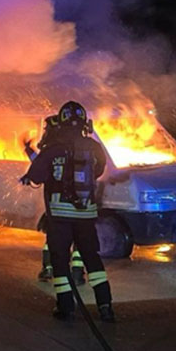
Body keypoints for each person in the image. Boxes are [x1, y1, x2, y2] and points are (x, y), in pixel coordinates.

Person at [20, 101, 114, 322]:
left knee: (60, 260)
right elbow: (98, 172)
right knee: (92, 259)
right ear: (84, 123)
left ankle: (66, 307)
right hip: (86, 214)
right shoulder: (94, 147)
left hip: (60, 216)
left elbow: (36, 176)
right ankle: (106, 306)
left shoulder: (53, 149)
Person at [24, 114, 85, 285]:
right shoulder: (80, 147)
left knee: (53, 236)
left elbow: (40, 167)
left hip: (58, 204)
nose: (45, 131)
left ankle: (49, 269)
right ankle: (78, 273)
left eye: (47, 128)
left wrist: (29, 171)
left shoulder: (53, 148)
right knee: (78, 237)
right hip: (81, 204)